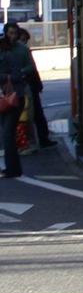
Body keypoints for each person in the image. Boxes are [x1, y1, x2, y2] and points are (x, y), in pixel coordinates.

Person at [0, 23, 36, 177]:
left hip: (13, 99)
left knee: (8, 135)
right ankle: (13, 169)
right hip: (7, 100)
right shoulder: (7, 55)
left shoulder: (10, 56)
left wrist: (3, 77)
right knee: (7, 135)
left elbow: (16, 76)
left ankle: (13, 169)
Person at [18, 28, 56, 148]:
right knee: (30, 115)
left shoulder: (24, 51)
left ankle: (39, 139)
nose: (24, 42)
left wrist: (38, 85)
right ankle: (31, 140)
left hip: (31, 86)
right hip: (23, 87)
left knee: (36, 114)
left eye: (25, 40)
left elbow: (33, 70)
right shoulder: (16, 52)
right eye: (22, 39)